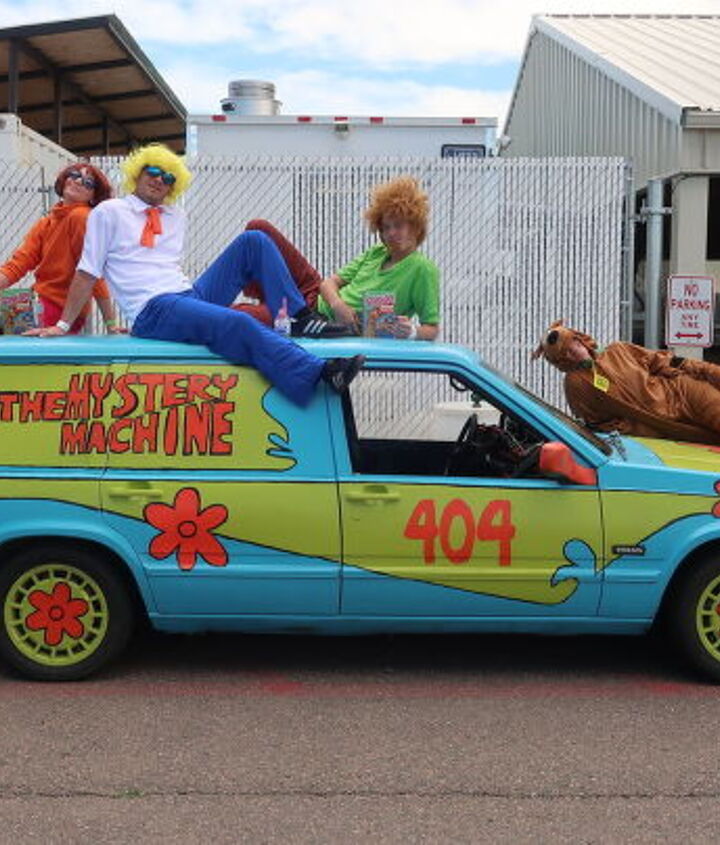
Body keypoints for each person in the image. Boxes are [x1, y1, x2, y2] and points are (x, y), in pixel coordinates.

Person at [26, 143, 363, 407]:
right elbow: (87, 273)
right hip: (153, 310)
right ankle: (316, 373)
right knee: (240, 322)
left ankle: (298, 318)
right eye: (153, 171)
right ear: (137, 172)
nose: (159, 180)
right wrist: (62, 325)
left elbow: (166, 268)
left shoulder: (176, 216)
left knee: (254, 240)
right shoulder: (109, 212)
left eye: (168, 177)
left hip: (185, 296)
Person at [235, 177, 440, 340]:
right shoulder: (377, 252)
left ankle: (267, 305)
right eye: (386, 227)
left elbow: (432, 328)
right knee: (258, 228)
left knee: (237, 315)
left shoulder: (422, 269)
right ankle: (264, 296)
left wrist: (412, 331)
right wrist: (338, 305)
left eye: (398, 225)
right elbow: (328, 284)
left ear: (415, 225)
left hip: (314, 318)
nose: (391, 233)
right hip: (313, 290)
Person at [533, 319, 720, 444]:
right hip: (665, 427)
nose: (574, 350)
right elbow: (598, 424)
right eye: (565, 352)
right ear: (561, 361)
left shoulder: (617, 349)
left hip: (683, 391)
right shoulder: (576, 385)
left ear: (580, 339)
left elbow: (662, 361)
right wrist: (641, 427)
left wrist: (706, 370)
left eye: (573, 343)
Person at [0, 162, 118, 333]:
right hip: (39, 302)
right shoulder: (47, 222)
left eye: (88, 183)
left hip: (61, 310)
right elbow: (18, 265)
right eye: (75, 175)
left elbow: (92, 273)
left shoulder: (81, 217)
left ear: (93, 197)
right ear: (65, 180)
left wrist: (110, 324)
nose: (78, 181)